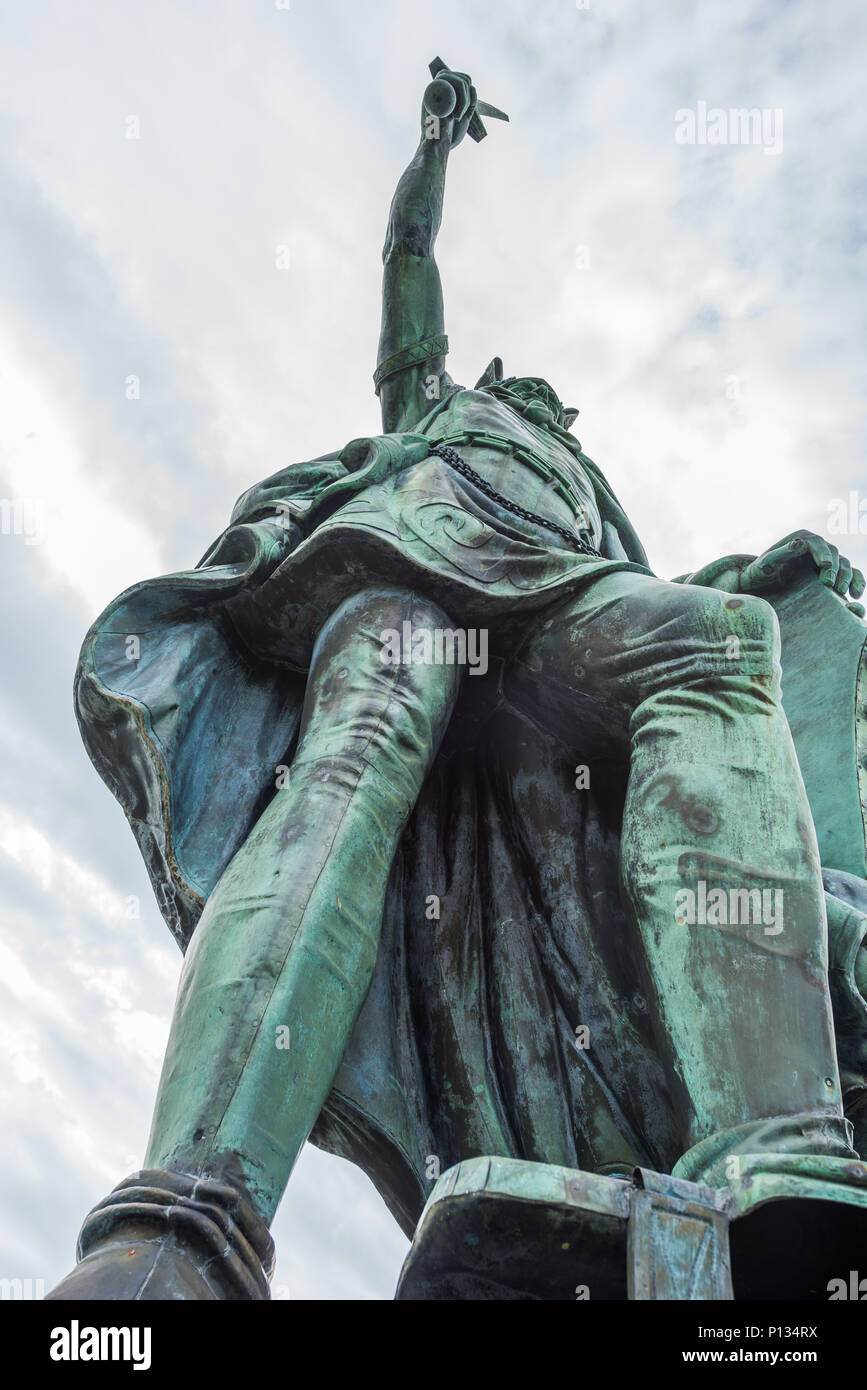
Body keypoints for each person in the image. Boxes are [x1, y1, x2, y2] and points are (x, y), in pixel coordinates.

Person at [48, 68, 867, 1301]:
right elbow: (409, 260)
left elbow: (670, 607)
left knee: (715, 641)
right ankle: (179, 1232)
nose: (535, 400)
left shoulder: (593, 500)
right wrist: (433, 150)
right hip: (413, 563)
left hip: (551, 607)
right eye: (521, 389)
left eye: (547, 402)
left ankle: (780, 1172)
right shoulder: (439, 408)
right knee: (364, 742)